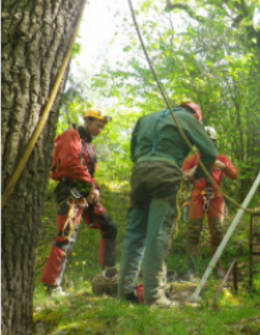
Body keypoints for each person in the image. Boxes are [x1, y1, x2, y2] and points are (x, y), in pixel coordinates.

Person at [118, 101, 218, 308]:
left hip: (140, 172)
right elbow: (210, 153)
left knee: (135, 232)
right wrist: (197, 175)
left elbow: (134, 153)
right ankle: (154, 297)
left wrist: (149, 160)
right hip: (165, 174)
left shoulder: (146, 118)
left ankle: (124, 293)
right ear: (196, 116)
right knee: (158, 233)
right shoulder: (188, 120)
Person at [41, 109, 117, 296]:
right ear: (87, 121)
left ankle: (108, 277)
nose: (100, 129)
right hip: (70, 192)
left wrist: (94, 188)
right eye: (97, 125)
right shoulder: (72, 135)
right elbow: (69, 164)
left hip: (83, 192)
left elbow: (87, 173)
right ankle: (52, 286)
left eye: (102, 127)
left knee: (109, 227)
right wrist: (91, 185)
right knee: (66, 237)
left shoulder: (88, 145)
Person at [182, 126, 238, 281]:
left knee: (218, 233)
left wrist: (224, 167)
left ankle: (217, 268)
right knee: (193, 232)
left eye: (211, 141)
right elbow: (182, 174)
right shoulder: (193, 158)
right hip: (197, 198)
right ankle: (192, 270)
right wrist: (193, 171)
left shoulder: (222, 158)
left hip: (216, 198)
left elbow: (234, 175)